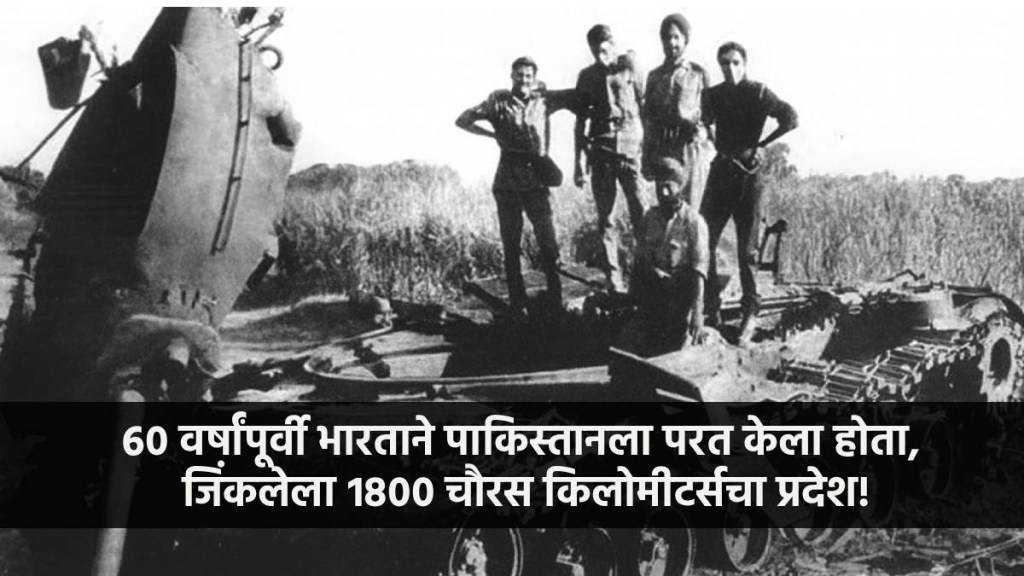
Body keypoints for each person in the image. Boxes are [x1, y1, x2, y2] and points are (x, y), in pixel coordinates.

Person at [455, 57, 575, 316]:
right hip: (508, 182)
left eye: (528, 76)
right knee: (511, 244)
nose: (523, 80)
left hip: (536, 181)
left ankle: (556, 299)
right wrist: (491, 135)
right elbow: (463, 120)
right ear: (511, 76)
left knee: (548, 243)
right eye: (519, 75)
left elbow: (577, 98)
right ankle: (518, 303)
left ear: (535, 78)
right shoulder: (498, 102)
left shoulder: (544, 100)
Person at [701, 41, 798, 343]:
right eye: (724, 63)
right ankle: (711, 310)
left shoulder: (758, 92)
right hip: (721, 173)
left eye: (735, 62)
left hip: (749, 178)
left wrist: (762, 146)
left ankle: (750, 313)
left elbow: (791, 118)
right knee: (703, 240)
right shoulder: (713, 95)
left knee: (747, 252)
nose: (730, 68)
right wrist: (710, 138)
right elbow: (701, 121)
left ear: (744, 64)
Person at [573, 24, 646, 293]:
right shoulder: (587, 76)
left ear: (613, 46)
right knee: (606, 219)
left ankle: (646, 277)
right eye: (595, 51)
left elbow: (644, 107)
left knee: (642, 214)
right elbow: (580, 122)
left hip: (630, 148)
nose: (600, 56)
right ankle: (614, 282)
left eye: (604, 49)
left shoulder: (630, 68)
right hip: (601, 149)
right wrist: (578, 164)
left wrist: (647, 149)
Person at [616, 156, 709, 356]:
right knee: (632, 343)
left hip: (681, 295)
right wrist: (633, 298)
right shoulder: (649, 218)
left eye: (668, 186)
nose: (663, 192)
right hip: (655, 292)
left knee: (677, 348)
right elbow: (640, 260)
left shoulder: (693, 222)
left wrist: (697, 314)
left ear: (680, 188)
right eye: (659, 186)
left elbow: (699, 272)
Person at [641, 13, 712, 210]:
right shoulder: (654, 77)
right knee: (668, 208)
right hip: (664, 150)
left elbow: (710, 116)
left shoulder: (698, 74)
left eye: (676, 37)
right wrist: (646, 157)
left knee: (690, 210)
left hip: (690, 150)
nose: (671, 43)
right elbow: (648, 120)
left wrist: (704, 144)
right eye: (666, 38)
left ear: (685, 40)